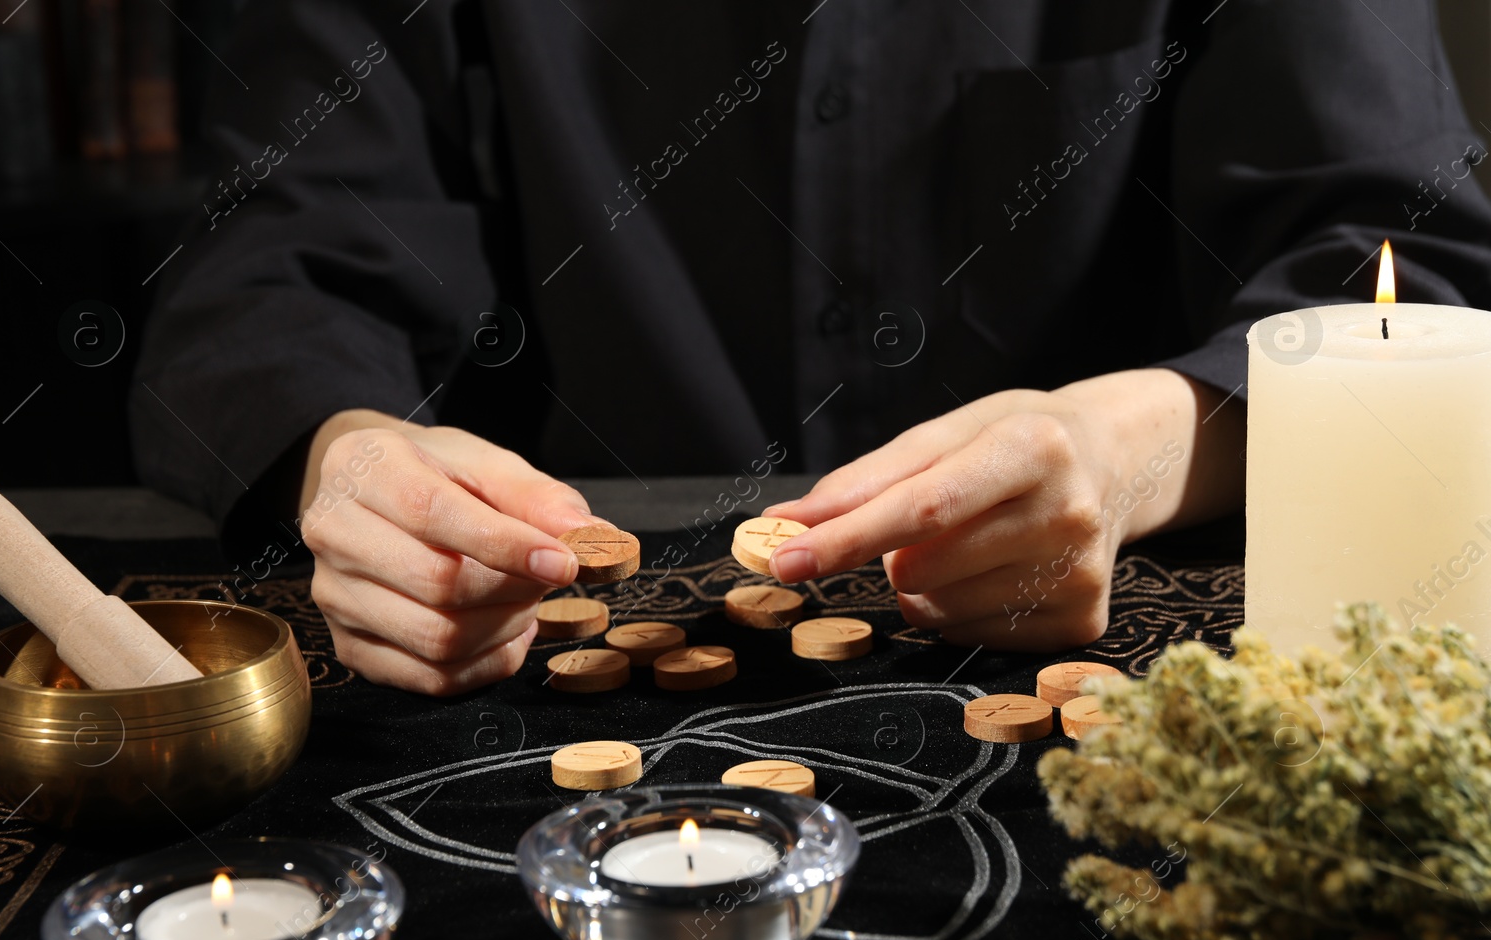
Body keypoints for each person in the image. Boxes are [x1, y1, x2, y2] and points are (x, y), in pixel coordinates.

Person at [132, 0, 1491, 696]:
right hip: (556, 682)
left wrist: (1130, 448)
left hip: (1107, 673)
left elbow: (1414, 262)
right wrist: (348, 455)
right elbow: (273, 253)